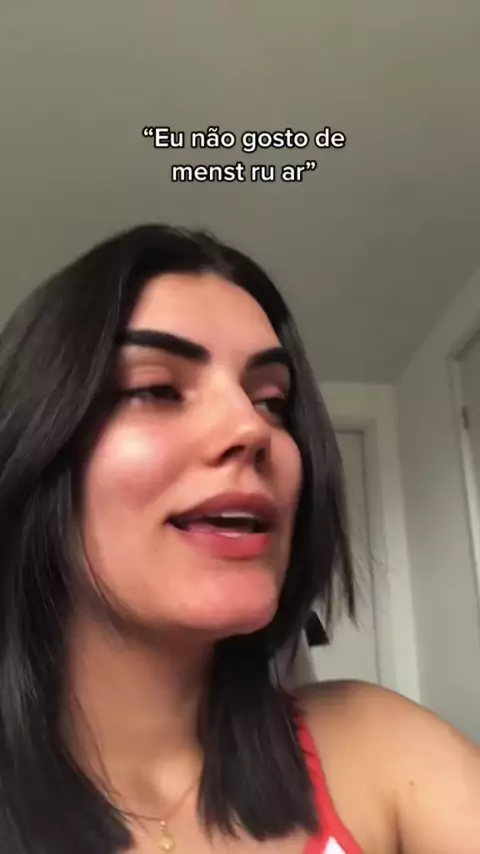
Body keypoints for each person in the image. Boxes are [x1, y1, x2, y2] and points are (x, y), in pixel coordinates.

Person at [0, 224, 478, 854]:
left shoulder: (379, 746)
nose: (251, 428)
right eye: (156, 389)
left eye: (271, 400)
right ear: (36, 449)